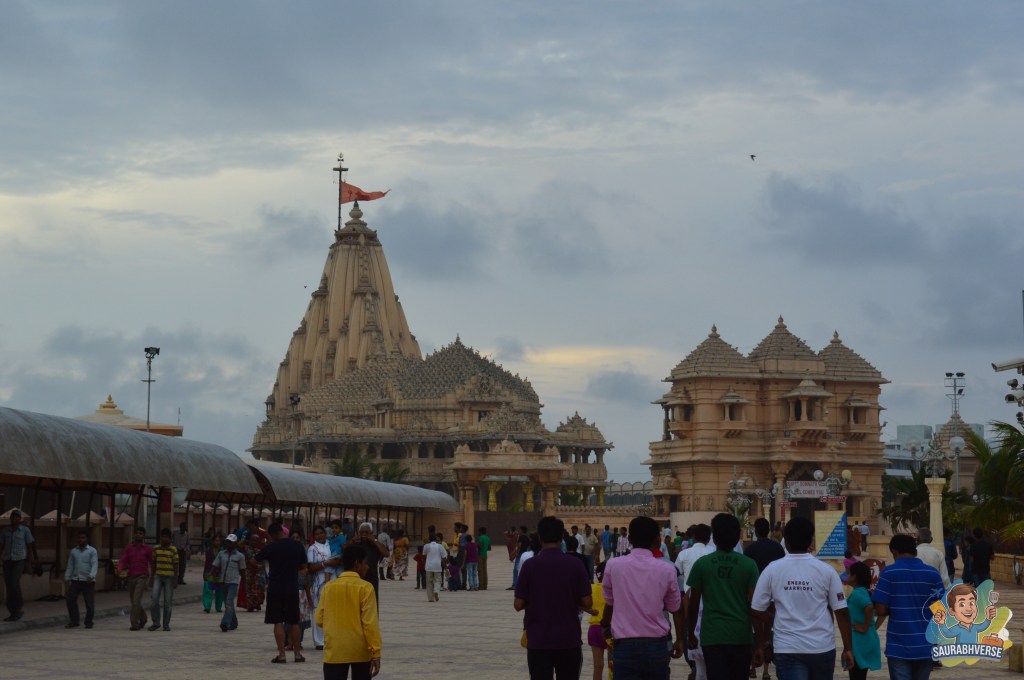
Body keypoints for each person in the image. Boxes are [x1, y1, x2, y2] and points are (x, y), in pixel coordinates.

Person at [751, 517, 854, 680]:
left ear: (787, 541)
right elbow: (841, 611)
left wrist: (774, 620)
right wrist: (848, 648)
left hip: (787, 647)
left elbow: (756, 610)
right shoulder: (827, 571)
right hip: (822, 647)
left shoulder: (772, 570)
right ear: (810, 540)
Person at [601, 515, 684, 679]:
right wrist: (680, 639)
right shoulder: (667, 569)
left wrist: (605, 626)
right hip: (657, 645)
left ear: (630, 538)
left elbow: (610, 603)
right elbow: (676, 609)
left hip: (625, 645)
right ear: (657, 539)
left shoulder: (613, 565)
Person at [515, 516, 592, 680]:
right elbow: (587, 602)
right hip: (569, 639)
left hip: (538, 640)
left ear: (540, 538)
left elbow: (518, 604)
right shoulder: (575, 564)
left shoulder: (530, 565)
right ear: (561, 538)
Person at [687, 513, 760, 680]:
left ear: (714, 537)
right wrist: (761, 641)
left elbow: (693, 604)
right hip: (741, 635)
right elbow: (754, 605)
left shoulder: (702, 564)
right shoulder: (749, 565)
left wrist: (690, 633)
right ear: (738, 537)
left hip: (712, 636)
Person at [871, 534, 944, 680]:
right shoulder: (932, 573)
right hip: (925, 646)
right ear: (915, 550)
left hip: (898, 647)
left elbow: (880, 609)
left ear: (894, 551)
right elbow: (940, 609)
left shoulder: (889, 572)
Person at [316, 543, 382, 680]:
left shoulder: (328, 587)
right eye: (365, 563)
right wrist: (375, 652)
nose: (367, 567)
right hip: (360, 651)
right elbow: (370, 624)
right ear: (357, 564)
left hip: (335, 650)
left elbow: (319, 619)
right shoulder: (366, 588)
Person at [256, 522, 309, 664]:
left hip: (275, 588)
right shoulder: (297, 546)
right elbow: (304, 566)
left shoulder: (271, 546)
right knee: (294, 621)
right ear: (282, 531)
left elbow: (254, 561)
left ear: (272, 535)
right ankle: (298, 654)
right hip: (292, 588)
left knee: (278, 621)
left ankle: (282, 655)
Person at [846, 561, 882, 680]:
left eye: (849, 573)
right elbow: (882, 612)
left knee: (856, 675)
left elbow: (869, 606)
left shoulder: (857, 594)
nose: (847, 576)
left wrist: (865, 626)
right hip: (866, 639)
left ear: (854, 577)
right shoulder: (865, 592)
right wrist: (872, 627)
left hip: (860, 641)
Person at [929, 582, 997, 644]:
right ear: (952, 611)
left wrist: (988, 618)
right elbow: (948, 634)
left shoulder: (974, 627)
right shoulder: (957, 628)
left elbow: (983, 626)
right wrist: (942, 623)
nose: (968, 608)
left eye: (972, 603)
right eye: (962, 604)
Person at [0, 509, 37, 622]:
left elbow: (30, 547)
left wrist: (29, 563)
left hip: (19, 560)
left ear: (20, 519)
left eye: (17, 517)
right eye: (13, 517)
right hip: (7, 560)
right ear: (10, 518)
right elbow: (1, 546)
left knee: (13, 582)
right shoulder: (5, 531)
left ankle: (19, 606)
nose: (14, 519)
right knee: (10, 586)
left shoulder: (25, 530)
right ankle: (13, 611)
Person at [307, 525, 339, 651]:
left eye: (322, 533)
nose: (320, 535)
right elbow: (311, 568)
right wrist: (326, 563)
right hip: (319, 581)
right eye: (317, 534)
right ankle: (319, 641)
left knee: (332, 611)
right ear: (314, 536)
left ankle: (330, 638)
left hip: (334, 579)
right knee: (318, 610)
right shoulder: (312, 548)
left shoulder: (330, 545)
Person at [117, 527, 154, 630]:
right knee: (134, 601)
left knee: (136, 599)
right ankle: (144, 617)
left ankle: (134, 623)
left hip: (142, 577)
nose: (138, 535)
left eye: (141, 533)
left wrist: (153, 577)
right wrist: (120, 568)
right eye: (137, 533)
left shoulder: (147, 549)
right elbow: (123, 559)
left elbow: (152, 562)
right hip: (131, 576)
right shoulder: (129, 548)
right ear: (134, 535)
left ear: (144, 536)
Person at [211, 533, 246, 632]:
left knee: (229, 602)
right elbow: (215, 565)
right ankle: (234, 623)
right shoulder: (222, 553)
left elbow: (243, 571)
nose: (228, 544)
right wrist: (209, 574)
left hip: (233, 582)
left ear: (235, 544)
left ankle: (225, 623)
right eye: (227, 542)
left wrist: (245, 584)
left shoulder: (240, 556)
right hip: (222, 581)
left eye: (231, 542)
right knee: (227, 603)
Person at [64, 530, 97, 629]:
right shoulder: (74, 551)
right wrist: (67, 577)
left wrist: (91, 576)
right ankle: (74, 620)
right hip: (76, 579)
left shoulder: (92, 551)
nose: (81, 540)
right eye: (79, 538)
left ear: (87, 539)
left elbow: (94, 564)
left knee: (89, 603)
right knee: (70, 600)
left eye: (83, 538)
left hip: (88, 580)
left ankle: (88, 622)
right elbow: (70, 565)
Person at [148, 528, 178, 631]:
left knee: (167, 603)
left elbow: (176, 564)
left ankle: (166, 624)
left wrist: (175, 579)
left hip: (169, 577)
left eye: (166, 537)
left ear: (170, 539)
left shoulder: (173, 550)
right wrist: (151, 577)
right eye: (162, 537)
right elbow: (153, 563)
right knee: (154, 600)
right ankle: (156, 622)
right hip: (158, 576)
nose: (164, 539)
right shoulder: (156, 549)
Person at [587, 561, 610, 680]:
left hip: (594, 629)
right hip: (610, 630)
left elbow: (584, 604)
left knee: (598, 666)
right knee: (613, 666)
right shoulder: (614, 589)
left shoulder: (591, 588)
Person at [355, 523, 390, 603]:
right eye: (362, 532)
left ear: (371, 533)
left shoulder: (376, 546)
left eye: (366, 532)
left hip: (372, 578)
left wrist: (374, 540)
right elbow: (344, 548)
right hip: (357, 578)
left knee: (372, 602)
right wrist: (353, 539)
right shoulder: (356, 545)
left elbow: (386, 554)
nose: (364, 534)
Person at [202, 534, 225, 614]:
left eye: (219, 541)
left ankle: (218, 607)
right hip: (210, 573)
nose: (217, 542)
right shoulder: (209, 550)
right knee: (208, 590)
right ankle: (207, 607)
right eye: (216, 540)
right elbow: (207, 562)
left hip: (219, 574)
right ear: (212, 542)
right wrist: (205, 572)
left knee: (219, 592)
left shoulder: (223, 551)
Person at [423, 532, 447, 602]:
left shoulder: (426, 546)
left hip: (429, 566)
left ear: (429, 539)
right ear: (436, 539)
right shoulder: (440, 546)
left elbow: (424, 555)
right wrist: (445, 565)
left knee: (429, 582)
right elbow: (444, 557)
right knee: (438, 580)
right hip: (437, 566)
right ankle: (436, 591)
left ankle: (430, 598)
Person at [510, 525, 530, 590]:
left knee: (516, 570)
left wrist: (515, 554)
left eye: (519, 530)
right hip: (525, 555)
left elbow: (519, 546)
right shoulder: (527, 538)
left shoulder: (521, 537)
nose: (518, 531)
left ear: (522, 530)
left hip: (520, 555)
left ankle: (515, 585)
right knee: (523, 570)